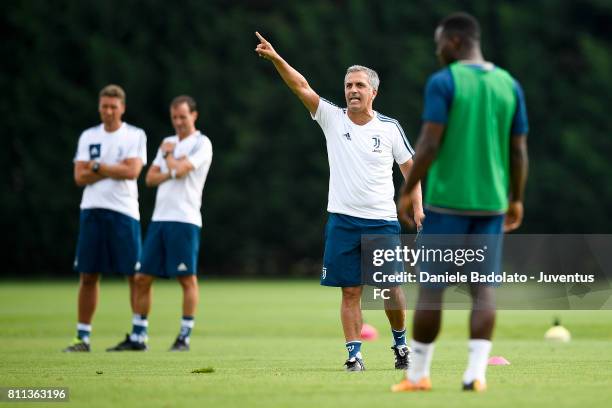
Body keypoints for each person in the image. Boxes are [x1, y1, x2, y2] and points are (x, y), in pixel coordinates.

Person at [255, 32, 424, 371]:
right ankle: (354, 355)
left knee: (390, 288)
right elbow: (300, 86)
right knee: (350, 292)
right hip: (343, 221)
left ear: (373, 92)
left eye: (360, 85)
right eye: (348, 85)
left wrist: (418, 209)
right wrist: (276, 59)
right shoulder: (332, 118)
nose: (353, 91)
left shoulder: (389, 129)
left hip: (381, 221)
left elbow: (411, 170)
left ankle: (401, 346)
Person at [392, 12, 529, 392]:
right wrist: (515, 199)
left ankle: (418, 376)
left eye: (439, 43)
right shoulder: (508, 84)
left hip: (449, 203)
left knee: (432, 290)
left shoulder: (444, 81)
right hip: (491, 205)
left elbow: (430, 141)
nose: (437, 50)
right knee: (484, 289)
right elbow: (518, 152)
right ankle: (475, 375)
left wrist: (408, 189)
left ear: (454, 41)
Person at [106, 95, 213, 351]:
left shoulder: (202, 143)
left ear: (194, 116)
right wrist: (171, 165)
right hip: (160, 219)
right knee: (142, 277)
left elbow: (184, 169)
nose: (178, 122)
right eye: (174, 117)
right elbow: (150, 179)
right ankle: (139, 336)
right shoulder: (167, 143)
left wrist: (169, 162)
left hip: (184, 219)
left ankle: (184, 336)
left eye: (183, 117)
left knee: (186, 278)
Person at [64, 84, 147, 352]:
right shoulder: (88, 136)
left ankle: (138, 336)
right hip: (92, 209)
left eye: (113, 107)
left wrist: (97, 166)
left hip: (123, 212)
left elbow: (132, 171)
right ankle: (82, 337)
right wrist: (114, 169)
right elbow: (79, 176)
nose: (108, 112)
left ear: (122, 108)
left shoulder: (134, 135)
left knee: (133, 275)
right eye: (104, 107)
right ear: (99, 107)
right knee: (88, 274)